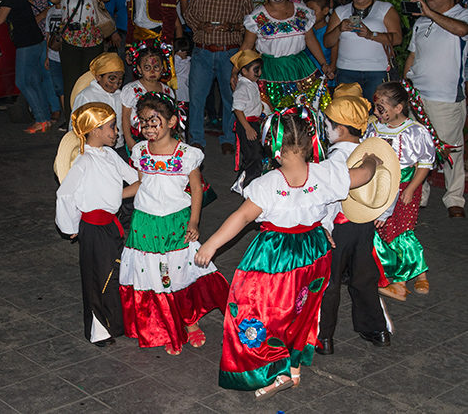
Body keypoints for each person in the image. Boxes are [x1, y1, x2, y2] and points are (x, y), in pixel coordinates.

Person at [195, 110, 381, 398]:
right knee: (300, 309)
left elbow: (241, 218)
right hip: (314, 252)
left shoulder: (268, 184)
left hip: (276, 258)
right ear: (309, 145)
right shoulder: (325, 173)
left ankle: (274, 369)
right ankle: (293, 366)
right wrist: (373, 158)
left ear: (275, 149)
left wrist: (211, 245)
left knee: (253, 310)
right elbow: (363, 175)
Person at [120, 92, 229, 355]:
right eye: (144, 122)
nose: (147, 128)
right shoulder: (139, 151)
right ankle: (165, 326)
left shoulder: (186, 154)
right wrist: (111, 196)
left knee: (179, 275)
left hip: (176, 222)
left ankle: (190, 321)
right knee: (153, 275)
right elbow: (140, 183)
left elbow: (196, 188)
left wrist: (194, 220)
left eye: (154, 121)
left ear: (171, 122)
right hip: (145, 223)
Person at [316, 83, 393, 355]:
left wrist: (321, 228)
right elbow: (388, 183)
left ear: (342, 128)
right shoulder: (372, 151)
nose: (325, 128)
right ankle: (377, 329)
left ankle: (323, 337)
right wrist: (382, 213)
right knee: (364, 277)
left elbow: (328, 200)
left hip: (338, 229)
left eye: (328, 123)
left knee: (330, 282)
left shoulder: (334, 161)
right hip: (364, 227)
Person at [55, 102, 140, 346]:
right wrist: (70, 227)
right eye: (112, 127)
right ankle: (98, 331)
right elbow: (65, 195)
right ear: (94, 130)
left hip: (112, 224)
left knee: (114, 273)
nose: (116, 132)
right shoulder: (83, 162)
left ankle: (115, 323)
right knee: (97, 278)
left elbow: (135, 178)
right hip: (93, 227)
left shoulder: (111, 155)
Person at [403, 0, 468, 218]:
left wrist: (430, 13)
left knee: (450, 150)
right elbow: (412, 55)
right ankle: (421, 193)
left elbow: (462, 31)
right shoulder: (421, 21)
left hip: (446, 97)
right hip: (417, 94)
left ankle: (454, 199)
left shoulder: (462, 15)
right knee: (418, 148)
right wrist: (405, 86)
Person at [367, 82, 435, 301]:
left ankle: (403, 281)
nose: (378, 111)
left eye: (383, 107)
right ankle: (402, 273)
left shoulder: (415, 131)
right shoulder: (374, 126)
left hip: (405, 184)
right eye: (377, 106)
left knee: (402, 230)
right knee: (382, 229)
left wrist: (412, 188)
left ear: (398, 108)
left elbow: (425, 163)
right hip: (379, 183)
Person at [236, 0, 334, 116]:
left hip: (300, 68)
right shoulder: (257, 17)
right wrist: (235, 71)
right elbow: (247, 46)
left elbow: (310, 39)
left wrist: (324, 65)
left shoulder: (303, 12)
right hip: (270, 70)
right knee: (274, 116)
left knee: (304, 114)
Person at [185, 0, 252, 153]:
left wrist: (231, 27)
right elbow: (188, 15)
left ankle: (228, 139)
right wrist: (200, 25)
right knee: (196, 98)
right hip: (203, 52)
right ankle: (196, 139)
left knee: (230, 98)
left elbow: (249, 25)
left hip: (228, 53)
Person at [323, 0, 403, 101]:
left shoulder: (385, 9)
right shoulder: (341, 11)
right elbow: (327, 42)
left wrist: (371, 35)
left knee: (376, 113)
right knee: (347, 115)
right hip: (346, 70)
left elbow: (397, 38)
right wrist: (339, 29)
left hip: (377, 71)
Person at [49, 0, 110, 120]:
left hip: (92, 38)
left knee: (91, 80)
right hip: (71, 38)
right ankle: (71, 119)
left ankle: (90, 118)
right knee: (71, 80)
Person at [0, 0, 53, 133]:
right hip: (35, 41)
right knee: (34, 82)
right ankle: (45, 119)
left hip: (27, 43)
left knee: (22, 82)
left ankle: (41, 119)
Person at [121, 42, 177, 151]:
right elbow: (125, 117)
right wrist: (128, 140)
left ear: (162, 68)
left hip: (162, 139)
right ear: (139, 69)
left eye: (156, 67)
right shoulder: (131, 90)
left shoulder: (167, 91)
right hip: (139, 139)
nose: (152, 71)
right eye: (147, 67)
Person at [70, 53, 126, 154]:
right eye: (112, 79)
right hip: (95, 149)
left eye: (120, 80)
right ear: (98, 77)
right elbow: (75, 125)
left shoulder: (120, 95)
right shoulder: (86, 96)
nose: (116, 84)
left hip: (118, 146)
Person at [230, 50, 264, 193]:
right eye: (256, 70)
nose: (259, 73)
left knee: (252, 155)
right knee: (254, 156)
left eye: (260, 69)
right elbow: (238, 110)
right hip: (247, 124)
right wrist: (248, 128)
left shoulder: (251, 83)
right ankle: (248, 187)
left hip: (253, 123)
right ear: (244, 71)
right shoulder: (243, 87)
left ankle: (242, 184)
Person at [303, 0, 333, 81]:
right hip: (307, 78)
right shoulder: (306, 32)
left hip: (325, 79)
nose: (309, 14)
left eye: (312, 10)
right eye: (306, 10)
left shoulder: (330, 32)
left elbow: (334, 61)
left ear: (325, 11)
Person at [173, 36, 191, 105]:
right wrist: (178, 57)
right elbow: (176, 70)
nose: (185, 53)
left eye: (186, 51)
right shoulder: (175, 61)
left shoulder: (188, 60)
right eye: (183, 51)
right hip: (179, 89)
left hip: (186, 87)